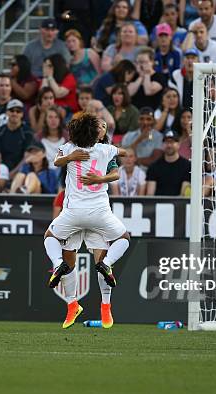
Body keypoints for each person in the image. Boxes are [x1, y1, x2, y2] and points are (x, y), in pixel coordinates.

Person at [44, 113, 129, 328]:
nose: (102, 127)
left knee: (90, 259)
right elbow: (125, 154)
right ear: (94, 132)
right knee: (78, 261)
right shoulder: (102, 149)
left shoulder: (101, 151)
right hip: (96, 212)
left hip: (75, 211)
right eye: (99, 125)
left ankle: (104, 307)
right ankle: (73, 306)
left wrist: (99, 178)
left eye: (103, 125)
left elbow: (115, 174)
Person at [0, 99, 34, 177]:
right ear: (6, 112)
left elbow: (27, 157)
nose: (15, 113)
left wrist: (12, 174)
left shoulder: (28, 132)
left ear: (22, 114)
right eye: (11, 110)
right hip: (2, 171)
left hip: (21, 171)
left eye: (18, 111)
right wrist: (3, 174)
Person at [145, 132, 190, 196]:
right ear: (162, 145)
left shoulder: (187, 166)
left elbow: (183, 194)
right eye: (166, 142)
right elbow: (150, 194)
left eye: (172, 142)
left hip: (179, 204)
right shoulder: (153, 166)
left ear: (178, 144)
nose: (169, 145)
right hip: (158, 204)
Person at [36, 105, 68, 170]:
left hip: (62, 171)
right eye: (50, 117)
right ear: (45, 119)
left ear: (60, 120)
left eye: (56, 117)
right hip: (44, 170)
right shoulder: (38, 137)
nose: (53, 120)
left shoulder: (67, 137)